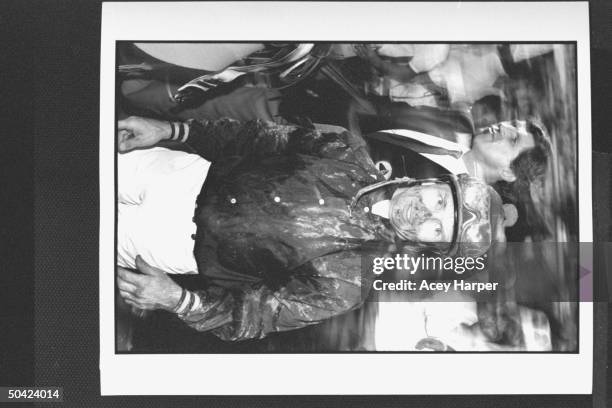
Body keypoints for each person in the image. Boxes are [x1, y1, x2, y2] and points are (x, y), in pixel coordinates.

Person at [116, 116, 505, 341]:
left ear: (429, 247)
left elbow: (253, 316)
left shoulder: (348, 282)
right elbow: (253, 137)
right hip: (177, 172)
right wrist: (170, 130)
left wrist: (177, 300)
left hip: (167, 244)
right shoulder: (345, 150)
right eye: (440, 202)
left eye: (437, 230)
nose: (424, 215)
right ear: (432, 182)